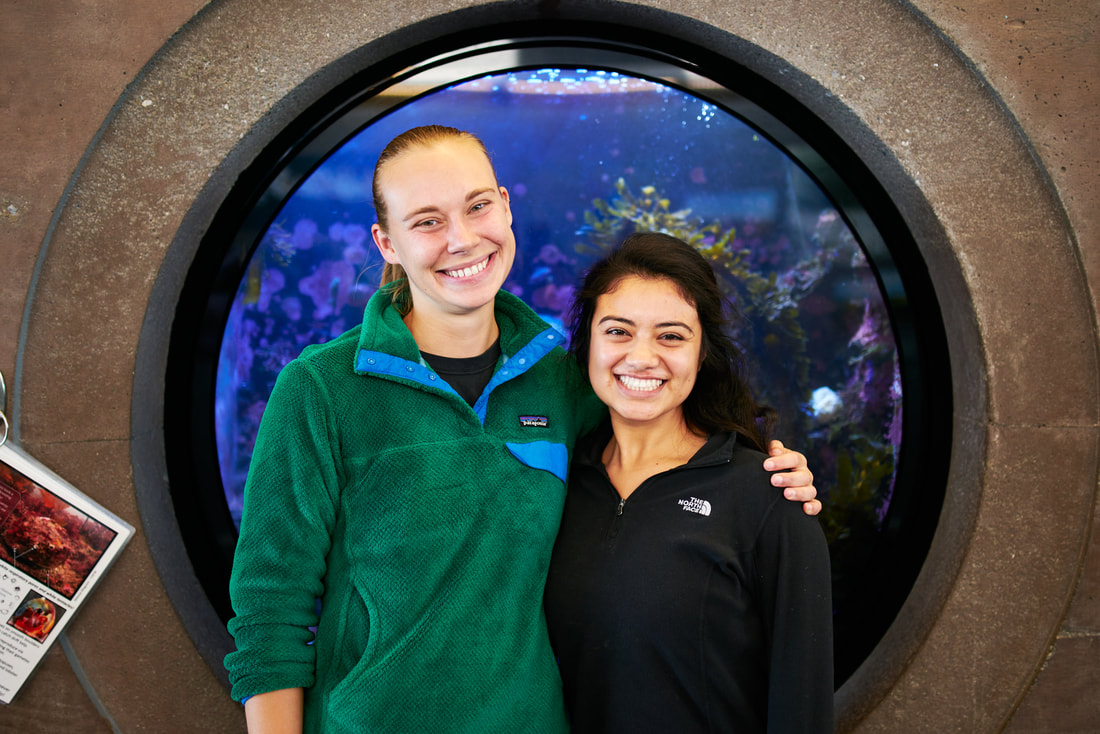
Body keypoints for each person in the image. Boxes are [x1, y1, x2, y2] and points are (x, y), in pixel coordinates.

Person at [224, 125, 820, 733]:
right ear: (387, 243)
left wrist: (765, 470)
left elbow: (660, 427)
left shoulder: (562, 384)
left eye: (477, 206)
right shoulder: (321, 389)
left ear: (505, 207)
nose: (461, 238)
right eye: (427, 221)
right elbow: (271, 610)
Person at [545, 232, 834, 733]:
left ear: (702, 354)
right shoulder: (552, 487)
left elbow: (802, 707)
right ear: (586, 340)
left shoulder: (769, 499)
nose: (641, 357)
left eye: (671, 336)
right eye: (617, 330)